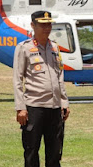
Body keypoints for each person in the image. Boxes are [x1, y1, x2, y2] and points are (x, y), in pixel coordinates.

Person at [13, 11, 70, 167]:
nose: (47, 28)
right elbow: (17, 79)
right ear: (33, 25)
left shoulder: (55, 48)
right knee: (31, 151)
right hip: (34, 108)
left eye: (49, 24)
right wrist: (20, 108)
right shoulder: (24, 48)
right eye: (42, 24)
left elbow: (60, 77)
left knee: (54, 152)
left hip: (54, 108)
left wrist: (64, 102)